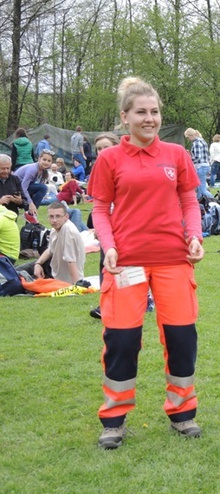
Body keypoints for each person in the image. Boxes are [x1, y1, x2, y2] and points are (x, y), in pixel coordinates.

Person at [90, 77, 205, 449]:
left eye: (154, 112)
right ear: (125, 118)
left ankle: (182, 411)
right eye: (141, 112)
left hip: (174, 262)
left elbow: (189, 200)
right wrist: (107, 246)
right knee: (122, 340)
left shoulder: (176, 155)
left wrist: (195, 236)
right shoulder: (109, 159)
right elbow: (99, 210)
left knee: (182, 338)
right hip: (126, 266)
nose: (149, 118)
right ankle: (114, 419)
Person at [86, 132, 121, 320]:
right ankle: (105, 304)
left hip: (125, 227)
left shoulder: (124, 166)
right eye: (98, 149)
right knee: (105, 265)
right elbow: (99, 205)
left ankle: (141, 300)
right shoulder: (98, 168)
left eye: (105, 147)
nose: (101, 152)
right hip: (106, 225)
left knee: (127, 266)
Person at [29, 202, 85, 284]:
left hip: (63, 278)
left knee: (17, 273)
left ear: (66, 217)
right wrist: (38, 264)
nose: (54, 220)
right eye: (51, 216)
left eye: (58, 216)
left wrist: (77, 285)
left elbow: (70, 260)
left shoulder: (67, 230)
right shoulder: (54, 230)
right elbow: (49, 251)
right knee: (16, 272)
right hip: (52, 270)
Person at [14, 150, 53, 216]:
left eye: (49, 161)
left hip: (24, 187)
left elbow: (37, 185)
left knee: (42, 188)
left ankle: (30, 217)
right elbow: (23, 187)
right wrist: (31, 203)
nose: (46, 162)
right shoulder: (33, 169)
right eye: (44, 159)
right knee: (43, 188)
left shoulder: (44, 171)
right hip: (16, 188)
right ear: (39, 159)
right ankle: (32, 212)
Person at [185, 128, 213, 200]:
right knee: (199, 189)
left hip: (201, 166)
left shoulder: (196, 143)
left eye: (188, 137)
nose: (188, 139)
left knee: (202, 189)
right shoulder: (202, 141)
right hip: (205, 165)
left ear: (191, 135)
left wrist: (190, 159)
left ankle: (213, 200)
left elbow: (197, 157)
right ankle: (199, 203)